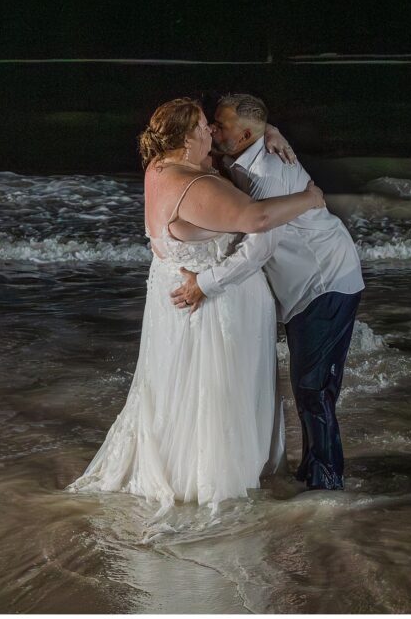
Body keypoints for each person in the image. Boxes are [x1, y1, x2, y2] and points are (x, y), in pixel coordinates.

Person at [66, 97, 324, 512]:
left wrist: (269, 131)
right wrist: (310, 200)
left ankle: (184, 463)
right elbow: (257, 220)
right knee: (212, 390)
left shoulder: (160, 168)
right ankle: (214, 476)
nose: (211, 131)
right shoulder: (194, 185)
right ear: (187, 137)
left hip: (173, 299)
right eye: (204, 126)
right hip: (214, 305)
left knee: (179, 388)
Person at [171, 93, 364, 491]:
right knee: (306, 386)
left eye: (219, 125)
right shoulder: (240, 154)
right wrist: (273, 129)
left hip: (325, 281)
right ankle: (314, 470)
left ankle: (327, 482)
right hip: (302, 287)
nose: (211, 129)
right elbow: (248, 135)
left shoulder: (268, 175)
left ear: (243, 135)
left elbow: (260, 247)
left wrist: (204, 285)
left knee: (313, 388)